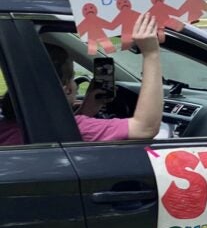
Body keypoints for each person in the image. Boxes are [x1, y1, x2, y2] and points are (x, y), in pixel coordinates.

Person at [0, 12, 163, 145]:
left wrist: (88, 108)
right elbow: (144, 128)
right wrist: (151, 53)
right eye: (72, 77)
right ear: (67, 88)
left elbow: (65, 132)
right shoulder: (82, 128)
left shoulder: (7, 127)